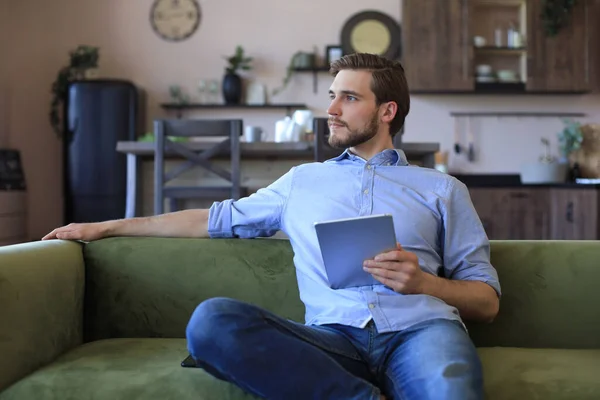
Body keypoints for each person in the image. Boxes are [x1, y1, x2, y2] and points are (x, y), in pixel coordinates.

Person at [43, 53, 500, 400]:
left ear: (387, 112)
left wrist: (424, 283)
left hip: (421, 332)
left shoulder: (441, 189)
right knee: (213, 322)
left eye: (350, 98)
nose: (332, 109)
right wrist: (105, 226)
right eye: (331, 96)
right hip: (333, 338)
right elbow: (211, 219)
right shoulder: (301, 181)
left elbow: (486, 302)